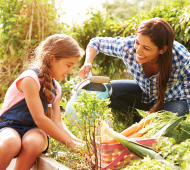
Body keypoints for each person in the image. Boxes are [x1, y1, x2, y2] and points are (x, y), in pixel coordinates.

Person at [79, 18, 190, 122]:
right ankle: (136, 124)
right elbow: (96, 42)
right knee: (105, 91)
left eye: (146, 48)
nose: (138, 51)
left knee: (166, 127)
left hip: (172, 99)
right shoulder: (127, 47)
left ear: (162, 49)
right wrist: (87, 62)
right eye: (137, 43)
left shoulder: (181, 58)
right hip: (144, 93)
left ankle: (154, 127)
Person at [0, 34, 85, 170]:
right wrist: (70, 143)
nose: (70, 71)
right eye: (68, 65)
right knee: (10, 142)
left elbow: (57, 122)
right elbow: (39, 118)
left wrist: (78, 142)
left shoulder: (56, 88)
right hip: (9, 126)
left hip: (35, 130)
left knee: (33, 142)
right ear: (52, 59)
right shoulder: (30, 79)